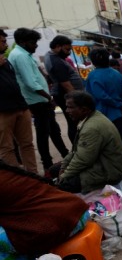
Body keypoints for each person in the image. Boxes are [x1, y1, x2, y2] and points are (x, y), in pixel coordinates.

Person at [8, 28, 69, 171]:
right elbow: (30, 83)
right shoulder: (20, 56)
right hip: (36, 101)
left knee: (54, 130)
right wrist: (49, 98)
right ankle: (47, 164)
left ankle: (66, 155)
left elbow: (36, 74)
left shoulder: (26, 54)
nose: (36, 45)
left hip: (41, 100)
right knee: (43, 133)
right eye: (33, 42)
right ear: (23, 42)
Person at [50, 91, 122, 193]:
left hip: (111, 170)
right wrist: (64, 166)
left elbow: (83, 159)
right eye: (67, 107)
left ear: (84, 110)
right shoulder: (91, 117)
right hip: (101, 162)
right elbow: (77, 151)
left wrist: (64, 175)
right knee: (55, 170)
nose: (67, 111)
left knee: (65, 184)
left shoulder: (91, 128)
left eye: (70, 107)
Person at [0, 29, 38, 173]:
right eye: (3, 42)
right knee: (6, 148)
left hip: (21, 107)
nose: (6, 45)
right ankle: (17, 180)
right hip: (3, 111)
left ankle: (33, 176)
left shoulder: (6, 60)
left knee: (27, 144)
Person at [84, 48, 122, 152]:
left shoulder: (92, 76)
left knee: (112, 151)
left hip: (105, 118)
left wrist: (120, 105)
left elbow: (101, 97)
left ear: (93, 62)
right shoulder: (116, 73)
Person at [44, 35, 81, 143]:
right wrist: (78, 99)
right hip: (65, 95)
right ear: (57, 46)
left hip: (64, 95)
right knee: (73, 122)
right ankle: (78, 148)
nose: (69, 52)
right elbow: (66, 84)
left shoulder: (53, 57)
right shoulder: (56, 62)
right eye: (67, 49)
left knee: (73, 122)